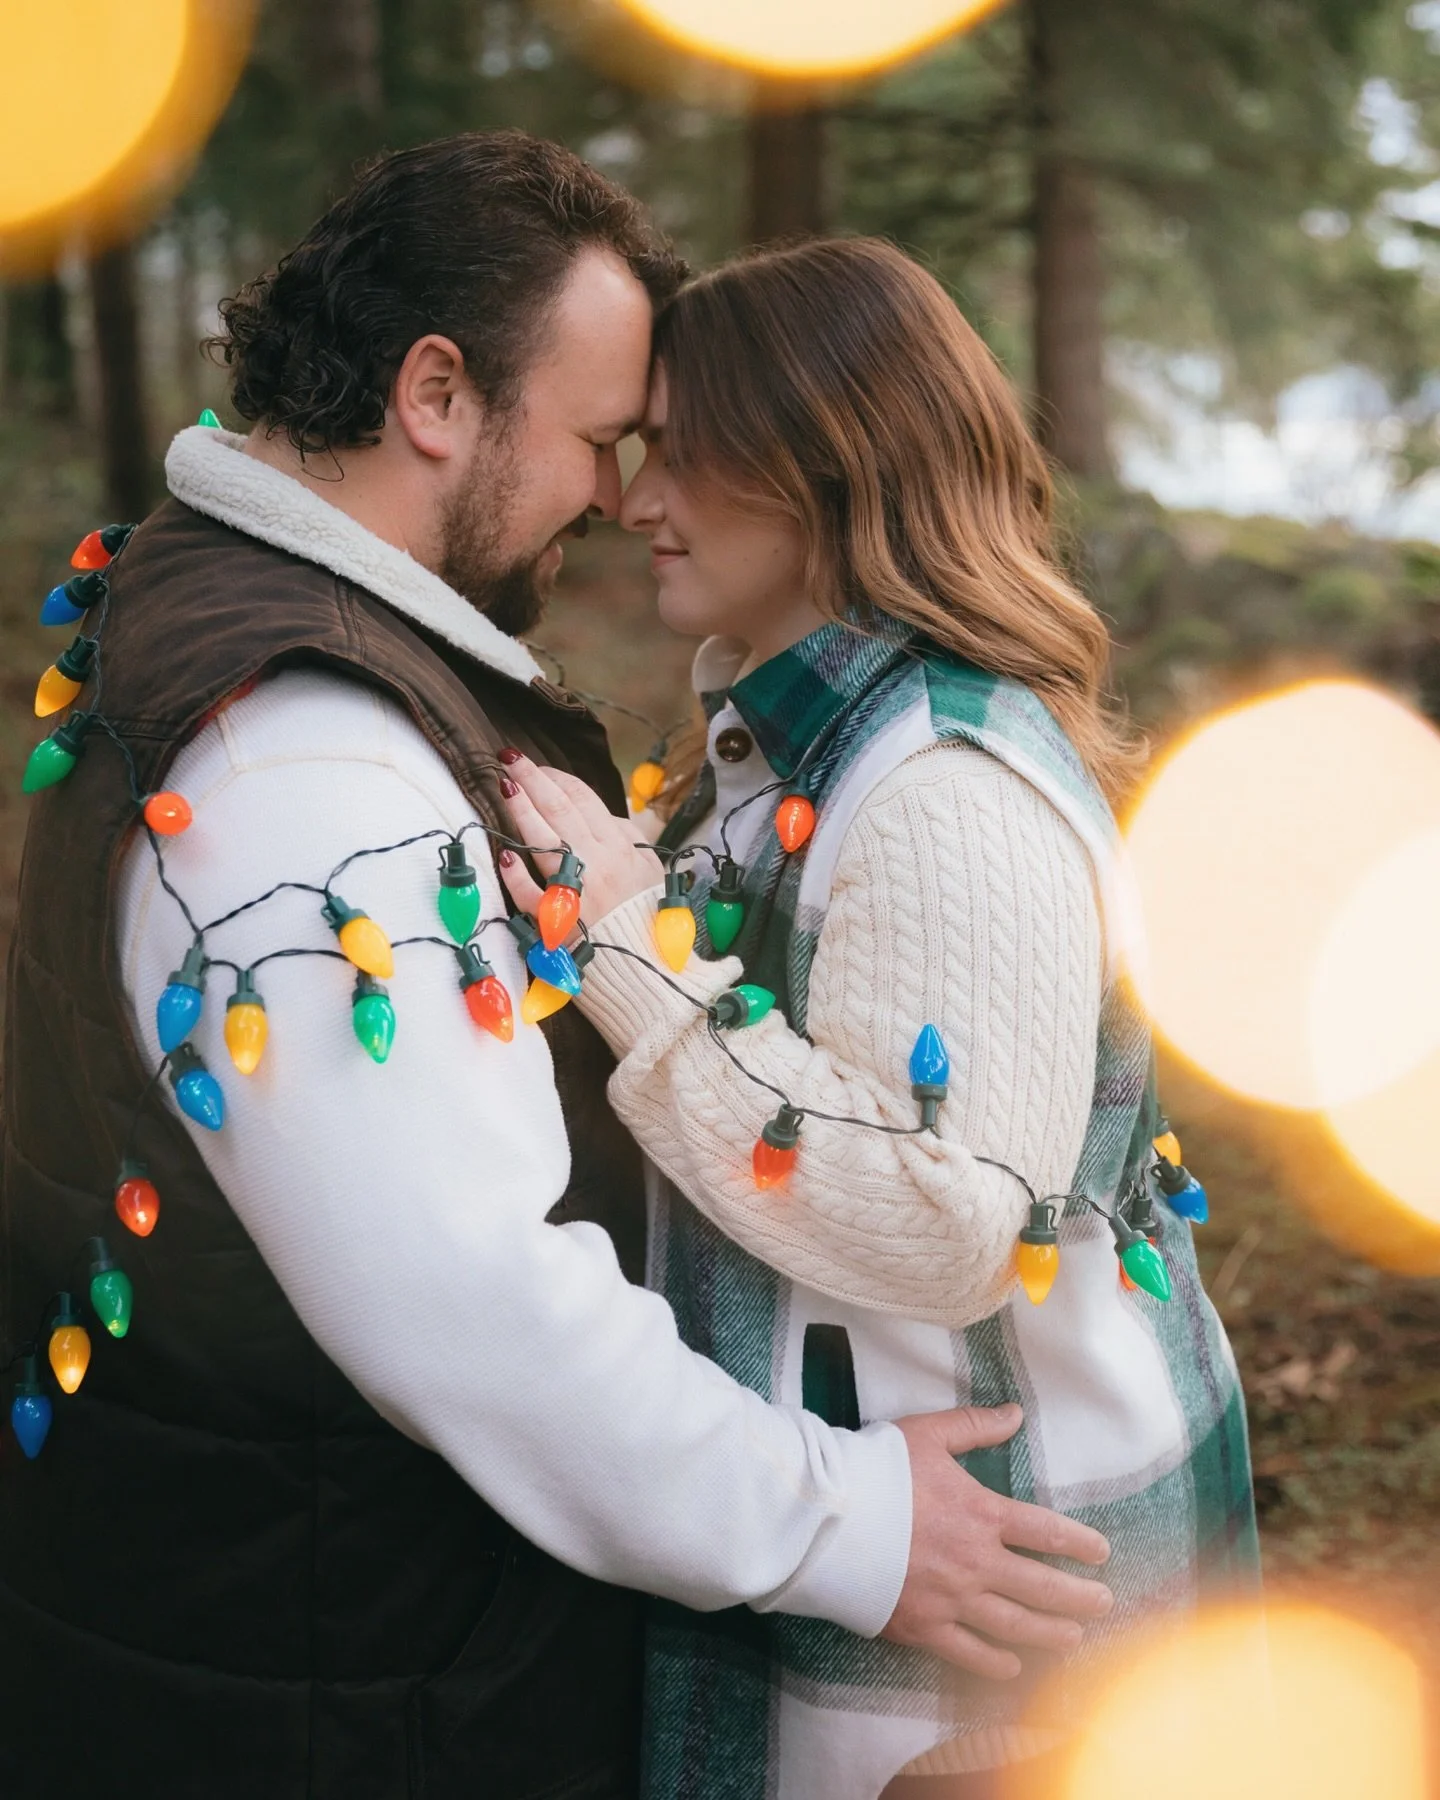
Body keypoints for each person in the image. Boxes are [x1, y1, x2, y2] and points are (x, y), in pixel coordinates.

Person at [0, 140, 1116, 1800]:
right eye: (600, 441)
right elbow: (474, 1306)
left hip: (298, 1637)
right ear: (437, 394)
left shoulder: (239, 632)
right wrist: (848, 1525)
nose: (615, 496)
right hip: (333, 1693)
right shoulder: (307, 766)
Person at [498, 237, 1260, 1800]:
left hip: (1005, 1596)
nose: (639, 500)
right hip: (896, 1520)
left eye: (686, 455)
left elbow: (949, 1217)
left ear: (825, 459)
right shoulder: (799, 745)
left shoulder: (942, 787)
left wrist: (620, 939)